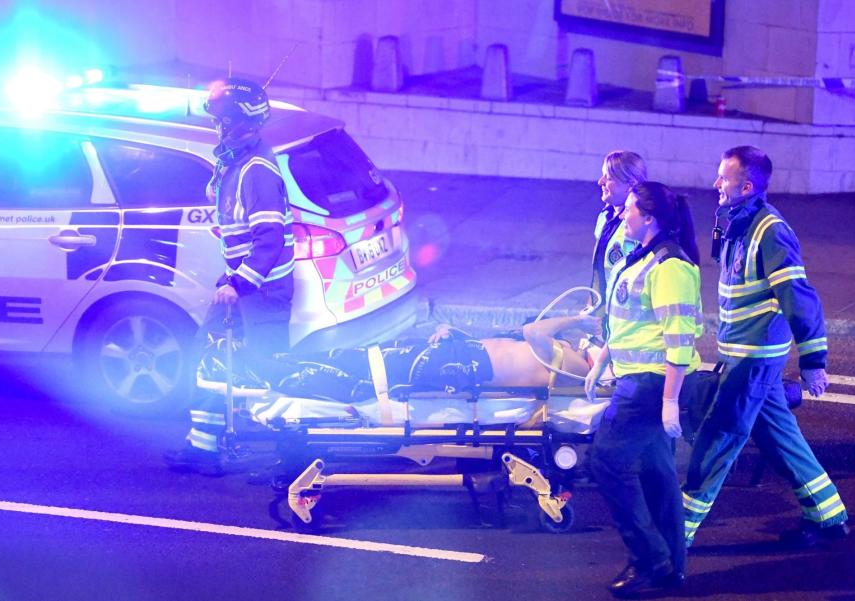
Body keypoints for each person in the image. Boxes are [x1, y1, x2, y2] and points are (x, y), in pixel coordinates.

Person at [682, 146, 848, 548]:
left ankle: (673, 538)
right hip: (741, 355)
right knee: (779, 437)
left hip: (752, 362)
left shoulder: (770, 230)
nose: (715, 184)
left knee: (717, 440)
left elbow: (798, 296)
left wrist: (813, 362)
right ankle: (829, 517)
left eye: (723, 178)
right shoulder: (738, 221)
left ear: (747, 185)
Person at [164, 77, 295, 475]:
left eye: (218, 121)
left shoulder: (256, 170)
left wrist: (238, 283)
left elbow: (269, 240)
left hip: (262, 294)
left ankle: (294, 454)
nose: (214, 128)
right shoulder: (238, 162)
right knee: (212, 362)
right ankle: (203, 447)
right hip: (244, 288)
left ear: (236, 123)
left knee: (267, 371)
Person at [584, 181, 702, 598]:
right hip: (641, 379)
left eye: (630, 208)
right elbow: (631, 322)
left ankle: (650, 561)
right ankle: (672, 567)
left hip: (650, 385)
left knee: (607, 463)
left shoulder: (669, 266)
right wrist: (601, 361)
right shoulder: (646, 258)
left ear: (649, 218)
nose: (623, 213)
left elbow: (679, 338)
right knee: (657, 475)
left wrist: (669, 399)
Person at [197, 314, 599, 402]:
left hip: (454, 366)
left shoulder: (579, 368)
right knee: (352, 359)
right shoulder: (570, 353)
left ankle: (252, 368)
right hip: (457, 357)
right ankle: (252, 361)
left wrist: (580, 318)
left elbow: (533, 331)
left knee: (358, 371)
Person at [592, 151, 647, 312]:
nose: (600, 181)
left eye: (608, 178)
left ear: (631, 184)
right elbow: (598, 270)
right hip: (601, 310)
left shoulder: (638, 225)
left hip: (622, 315)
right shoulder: (605, 216)